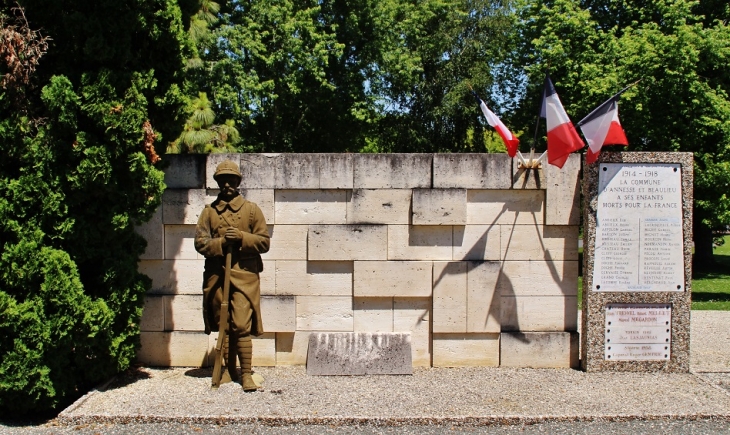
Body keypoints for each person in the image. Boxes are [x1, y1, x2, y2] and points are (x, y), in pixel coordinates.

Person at [194, 159, 270, 391]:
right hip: (218, 274)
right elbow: (200, 242)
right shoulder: (209, 212)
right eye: (223, 180)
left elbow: (264, 242)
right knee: (224, 324)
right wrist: (221, 242)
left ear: (238, 182)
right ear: (218, 183)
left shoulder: (251, 210)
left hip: (244, 275)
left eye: (232, 180)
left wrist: (242, 238)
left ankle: (246, 373)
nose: (227, 184)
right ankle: (229, 370)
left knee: (240, 324)